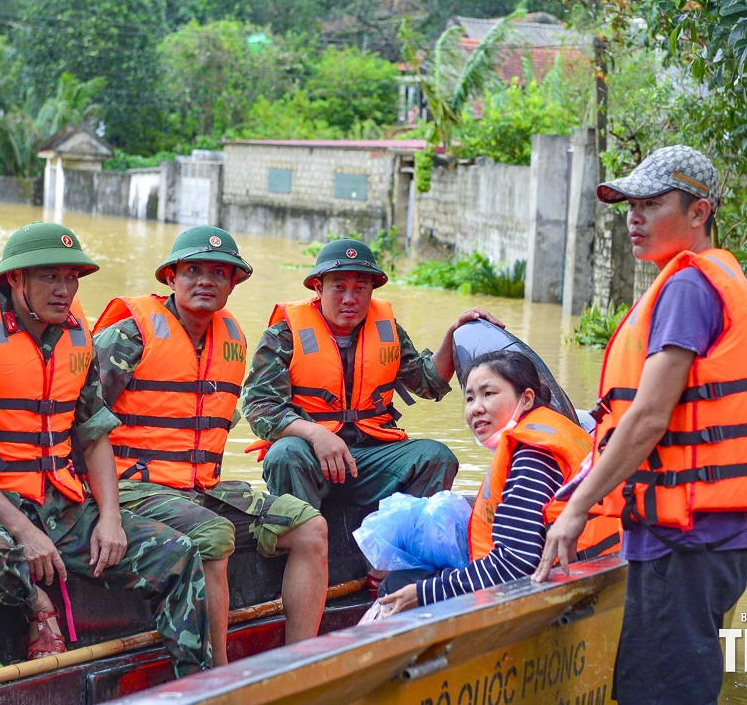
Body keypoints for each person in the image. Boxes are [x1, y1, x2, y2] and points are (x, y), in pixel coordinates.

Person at [532, 146, 747, 704]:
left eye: (651, 203)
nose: (635, 218)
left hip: (684, 543)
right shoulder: (701, 281)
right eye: (630, 205)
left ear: (700, 212)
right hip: (695, 539)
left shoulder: (688, 288)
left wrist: (574, 510)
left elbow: (647, 419)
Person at [0, 221, 211, 676]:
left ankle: (196, 684)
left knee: (177, 553)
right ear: (15, 279)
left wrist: (111, 519)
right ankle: (38, 603)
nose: (65, 289)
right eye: (50, 276)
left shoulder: (78, 333)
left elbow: (94, 435)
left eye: (71, 277)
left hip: (59, 502)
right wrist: (22, 530)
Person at [92, 226, 328, 665]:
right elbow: (79, 421)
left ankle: (300, 665)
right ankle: (220, 679)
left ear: (233, 282)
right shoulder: (129, 334)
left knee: (310, 527)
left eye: (220, 272)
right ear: (171, 277)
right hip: (131, 488)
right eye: (194, 270)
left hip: (200, 488)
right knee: (213, 534)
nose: (207, 280)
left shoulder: (233, 339)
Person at [243, 238, 493, 513]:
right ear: (318, 287)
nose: (350, 298)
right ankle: (302, 538)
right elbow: (260, 408)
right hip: (311, 457)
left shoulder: (387, 329)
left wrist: (454, 333)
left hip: (371, 458)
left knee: (436, 457)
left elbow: (426, 383)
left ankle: (399, 543)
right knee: (284, 454)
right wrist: (315, 434)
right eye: (339, 287)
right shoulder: (284, 335)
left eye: (360, 288)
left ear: (371, 290)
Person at [377, 350, 620, 614]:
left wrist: (425, 593)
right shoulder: (561, 430)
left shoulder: (533, 455)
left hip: (559, 599)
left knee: (397, 585)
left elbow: (515, 564)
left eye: (488, 394)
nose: (476, 408)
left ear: (526, 399)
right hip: (591, 579)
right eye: (469, 398)